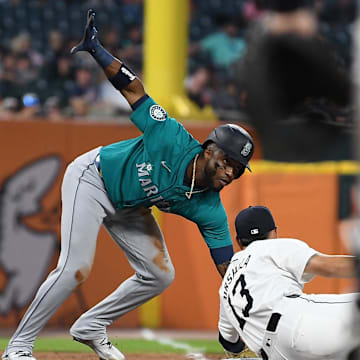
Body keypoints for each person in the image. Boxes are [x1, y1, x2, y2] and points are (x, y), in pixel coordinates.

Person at [2, 9, 255, 360]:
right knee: (76, 266)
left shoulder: (210, 208)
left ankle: (90, 326)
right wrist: (97, 50)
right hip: (94, 178)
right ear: (209, 149)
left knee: (160, 274)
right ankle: (19, 346)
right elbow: (134, 89)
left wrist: (242, 320)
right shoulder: (171, 137)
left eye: (237, 169)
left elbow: (227, 271)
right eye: (227, 161)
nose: (229, 172)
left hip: (131, 207)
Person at [218, 205, 360, 360]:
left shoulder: (227, 283)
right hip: (295, 322)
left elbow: (228, 340)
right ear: (274, 232)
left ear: (238, 241)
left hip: (274, 353)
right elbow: (328, 267)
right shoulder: (272, 246)